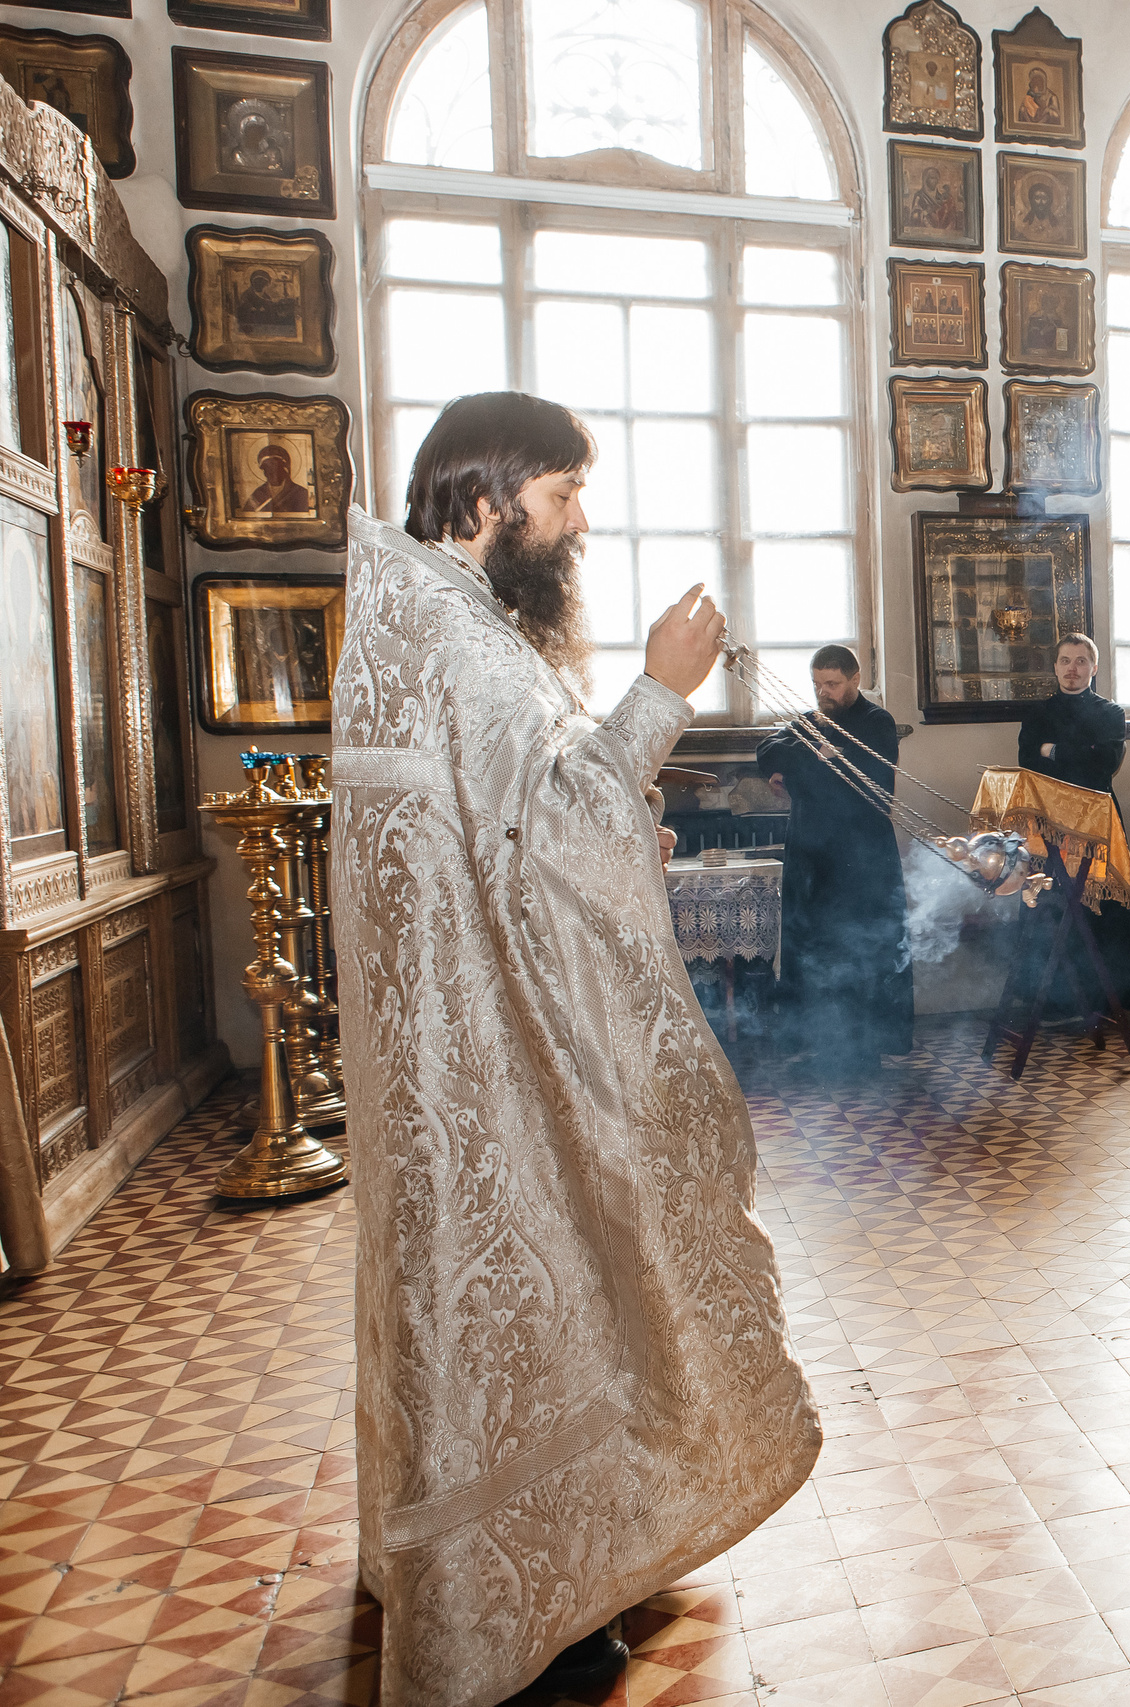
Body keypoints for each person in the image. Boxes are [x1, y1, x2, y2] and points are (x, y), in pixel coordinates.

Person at [331, 391, 819, 1707]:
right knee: (546, 1288)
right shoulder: (465, 638)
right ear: (488, 498)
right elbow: (552, 820)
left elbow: (509, 839)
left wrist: (612, 831)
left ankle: (538, 1555)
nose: (580, 522)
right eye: (563, 495)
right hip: (497, 1069)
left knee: (505, 1298)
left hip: (462, 1045)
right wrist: (662, 688)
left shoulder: (416, 613)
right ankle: (519, 1599)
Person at [758, 644, 915, 1081]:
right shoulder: (810, 723)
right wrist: (810, 760)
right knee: (814, 946)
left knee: (860, 948)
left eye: (832, 684)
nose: (823, 693)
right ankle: (821, 1044)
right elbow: (769, 749)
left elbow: (863, 777)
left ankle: (865, 1049)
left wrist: (803, 766)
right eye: (816, 685)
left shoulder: (877, 722)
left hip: (860, 859)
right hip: (812, 855)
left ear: (855, 680)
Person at [1018, 632, 1130, 1016]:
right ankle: (1052, 1003)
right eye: (1064, 660)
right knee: (1052, 903)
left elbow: (1103, 763)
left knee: (1103, 905)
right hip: (1050, 821)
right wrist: (1076, 754)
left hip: (1096, 819)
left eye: (1080, 661)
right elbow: (1029, 760)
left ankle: (1110, 998)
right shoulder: (1038, 713)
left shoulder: (1110, 713)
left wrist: (1054, 750)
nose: (1071, 669)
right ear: (1054, 666)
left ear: (1094, 668)